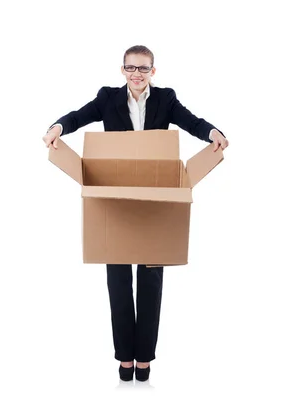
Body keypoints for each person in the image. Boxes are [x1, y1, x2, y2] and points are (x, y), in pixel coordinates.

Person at [42, 45, 228, 382]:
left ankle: (144, 359)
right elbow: (77, 116)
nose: (136, 75)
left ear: (153, 71)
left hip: (154, 202)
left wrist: (213, 132)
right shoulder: (107, 98)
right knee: (117, 281)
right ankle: (124, 357)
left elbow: (192, 122)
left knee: (151, 282)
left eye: (143, 69)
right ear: (122, 70)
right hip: (115, 200)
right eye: (131, 68)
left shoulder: (165, 99)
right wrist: (57, 127)